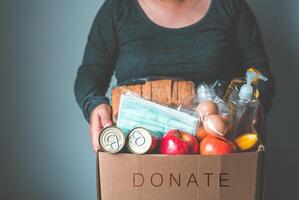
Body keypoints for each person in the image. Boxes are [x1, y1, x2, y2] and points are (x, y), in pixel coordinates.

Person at [74, 0, 275, 152]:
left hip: (214, 149)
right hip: (137, 146)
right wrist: (94, 105)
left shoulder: (230, 6)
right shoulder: (117, 9)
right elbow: (90, 74)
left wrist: (254, 107)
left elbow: (259, 70)